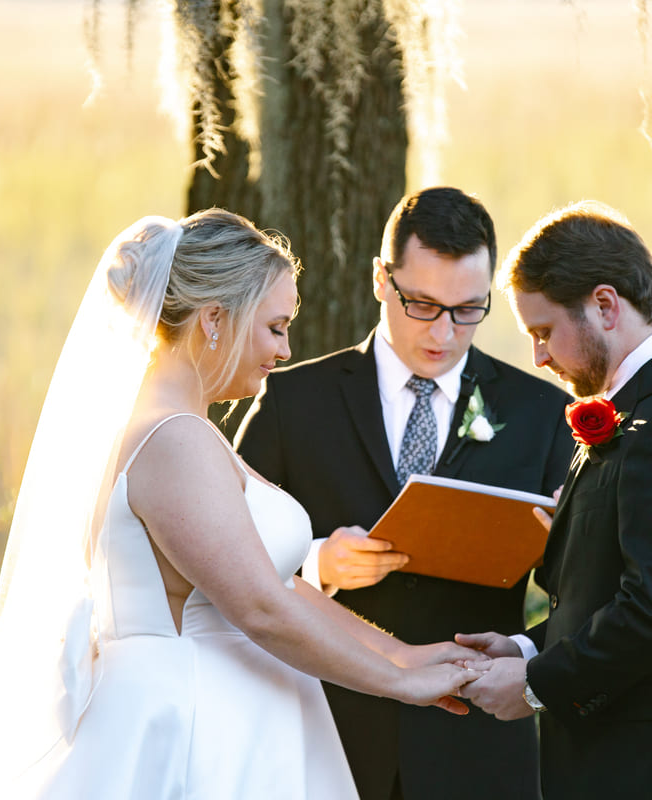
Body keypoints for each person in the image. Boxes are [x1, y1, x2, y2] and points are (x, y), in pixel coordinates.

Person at [0, 210, 483, 800]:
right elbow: (259, 607)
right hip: (196, 728)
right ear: (215, 319)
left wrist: (403, 656)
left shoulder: (187, 430)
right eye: (274, 327)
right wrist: (396, 687)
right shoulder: (171, 438)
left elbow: (274, 584)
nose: (284, 348)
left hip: (239, 712)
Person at [234, 187, 574, 800]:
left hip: (477, 747)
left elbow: (582, 585)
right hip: (327, 730)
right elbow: (225, 555)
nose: (444, 332)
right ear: (379, 280)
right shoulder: (293, 402)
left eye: (468, 310)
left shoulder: (543, 412)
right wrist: (316, 563)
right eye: (422, 304)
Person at [457, 200, 652, 799]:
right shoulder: (645, 403)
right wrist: (530, 644)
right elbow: (619, 585)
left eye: (545, 332)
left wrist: (535, 684)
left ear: (605, 305)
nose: (539, 357)